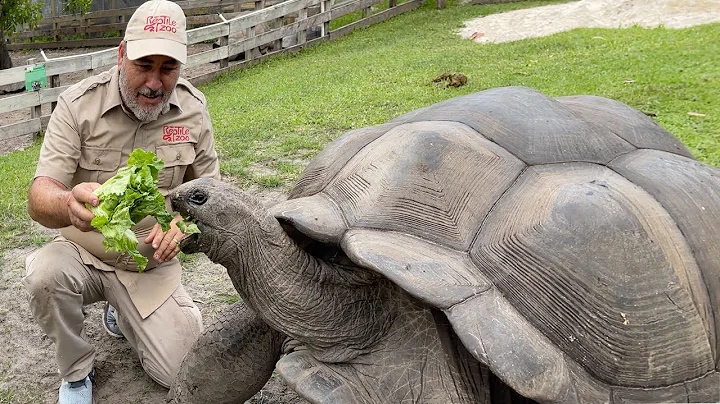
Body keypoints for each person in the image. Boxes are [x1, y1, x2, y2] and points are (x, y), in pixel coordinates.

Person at [22, 1, 220, 403]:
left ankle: (126, 314)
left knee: (182, 373)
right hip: (84, 254)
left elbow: (213, 195)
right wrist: (68, 205)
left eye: (168, 68)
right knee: (45, 276)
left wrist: (185, 227)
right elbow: (39, 196)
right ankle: (76, 373)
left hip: (150, 266)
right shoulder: (78, 105)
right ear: (121, 54)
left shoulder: (193, 111)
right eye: (143, 64)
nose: (154, 82)